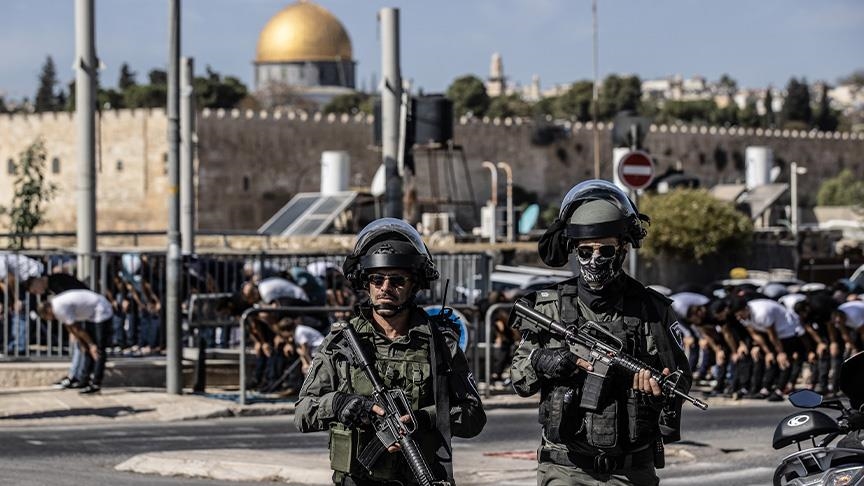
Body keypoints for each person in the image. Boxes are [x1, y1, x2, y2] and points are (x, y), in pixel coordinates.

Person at [510, 179, 691, 486]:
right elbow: (518, 380)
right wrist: (543, 360)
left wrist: (658, 393)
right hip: (565, 466)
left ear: (622, 249)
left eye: (605, 250)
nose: (594, 259)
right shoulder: (548, 307)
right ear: (573, 250)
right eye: (585, 251)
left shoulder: (651, 308)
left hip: (629, 469)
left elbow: (680, 379)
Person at [295, 218, 486, 486]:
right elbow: (303, 412)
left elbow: (474, 415)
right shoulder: (342, 342)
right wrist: (342, 405)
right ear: (366, 282)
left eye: (397, 280)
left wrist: (424, 418)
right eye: (377, 279)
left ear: (414, 284)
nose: (385, 288)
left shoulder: (440, 344)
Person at [728, 296, 807, 400]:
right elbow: (755, 334)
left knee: (784, 360)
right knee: (769, 359)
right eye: (736, 316)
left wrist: (781, 352)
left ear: (745, 309)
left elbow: (772, 335)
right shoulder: (743, 316)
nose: (739, 318)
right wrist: (768, 352)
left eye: (739, 315)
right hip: (767, 332)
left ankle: (780, 390)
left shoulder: (762, 313)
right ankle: (765, 389)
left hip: (786, 330)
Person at [37, 289, 114, 394]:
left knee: (98, 349)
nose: (50, 320)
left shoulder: (58, 308)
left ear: (48, 310)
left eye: (47, 317)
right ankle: (84, 380)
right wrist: (83, 343)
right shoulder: (57, 305)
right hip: (90, 314)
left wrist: (91, 345)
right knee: (86, 348)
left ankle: (96, 383)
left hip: (100, 309)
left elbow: (77, 329)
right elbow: (69, 327)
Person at [25, 272, 90, 389]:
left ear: (36, 282)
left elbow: (73, 302)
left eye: (35, 290)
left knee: (81, 344)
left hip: (85, 311)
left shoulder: (57, 283)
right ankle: (77, 375)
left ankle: (77, 376)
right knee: (80, 345)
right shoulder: (52, 286)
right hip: (81, 313)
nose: (37, 293)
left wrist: (74, 327)